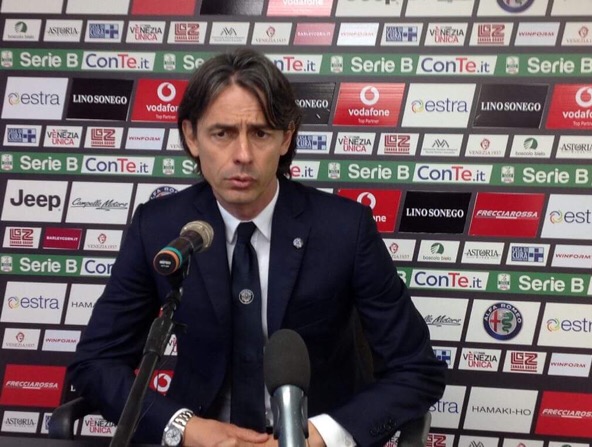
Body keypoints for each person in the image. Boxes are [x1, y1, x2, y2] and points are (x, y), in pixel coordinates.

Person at [68, 48, 446, 447]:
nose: (243, 155)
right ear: (191, 137)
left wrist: (321, 435)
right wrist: (186, 428)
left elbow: (416, 369)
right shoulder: (159, 228)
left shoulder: (344, 229)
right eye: (222, 133)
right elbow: (96, 363)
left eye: (261, 133)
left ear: (287, 138)